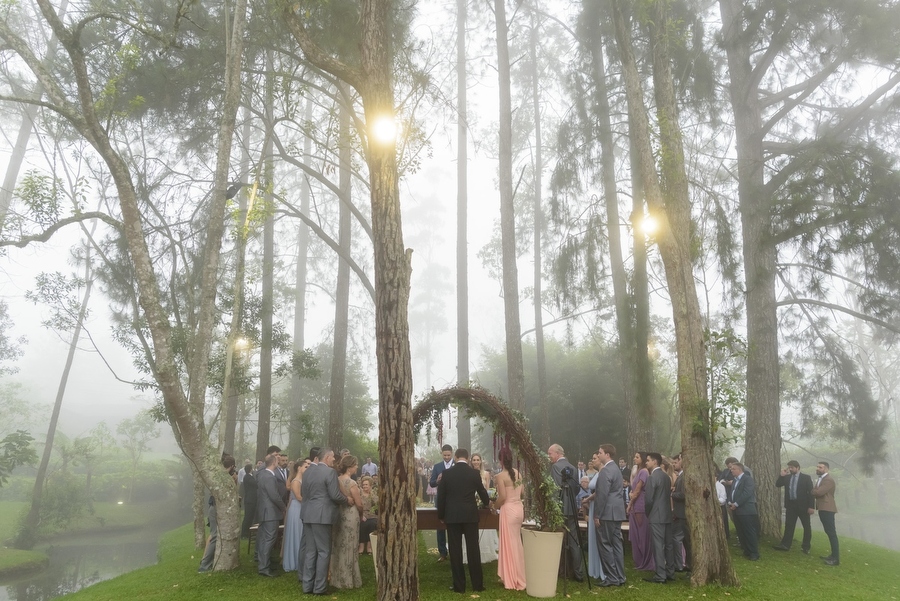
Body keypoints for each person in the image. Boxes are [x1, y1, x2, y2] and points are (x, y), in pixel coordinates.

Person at [437, 448, 490, 593]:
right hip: (470, 515)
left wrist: (441, 515)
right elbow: (483, 493)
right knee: (473, 549)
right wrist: (487, 503)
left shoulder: (447, 474)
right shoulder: (473, 473)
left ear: (455, 457)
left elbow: (441, 497)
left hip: (452, 516)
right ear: (467, 458)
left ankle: (459, 586)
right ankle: (477, 584)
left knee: (455, 550)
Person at [300, 448, 348, 595]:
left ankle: (307, 586)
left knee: (310, 551)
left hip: (307, 513)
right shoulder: (330, 472)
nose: (334, 460)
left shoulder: (308, 471)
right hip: (322, 515)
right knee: (323, 551)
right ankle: (320, 587)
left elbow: (303, 493)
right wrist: (347, 499)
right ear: (327, 457)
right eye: (333, 457)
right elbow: (334, 495)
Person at [548, 443, 584, 582]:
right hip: (572, 509)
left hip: (560, 509)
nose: (549, 456)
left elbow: (554, 490)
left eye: (550, 453)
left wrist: (553, 508)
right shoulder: (574, 468)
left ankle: (561, 570)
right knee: (574, 541)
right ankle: (578, 573)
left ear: (558, 453)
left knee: (559, 540)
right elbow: (575, 489)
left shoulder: (556, 467)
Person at [592, 443, 626, 587]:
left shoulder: (606, 471)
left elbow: (602, 494)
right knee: (617, 545)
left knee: (605, 544)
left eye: (600, 453)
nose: (598, 455)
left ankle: (612, 577)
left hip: (607, 513)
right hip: (617, 512)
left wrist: (597, 514)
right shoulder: (616, 469)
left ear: (607, 454)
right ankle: (620, 576)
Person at [198, 454, 237, 573]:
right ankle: (204, 566)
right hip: (215, 508)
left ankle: (208, 561)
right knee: (214, 535)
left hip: (216, 508)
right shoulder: (222, 477)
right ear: (231, 466)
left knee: (215, 535)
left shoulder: (218, 475)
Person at [494, 447, 525, 590]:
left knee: (508, 543)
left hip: (508, 510)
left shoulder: (500, 476)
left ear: (501, 460)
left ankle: (511, 576)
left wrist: (494, 506)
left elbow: (502, 497)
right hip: (519, 508)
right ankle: (518, 574)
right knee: (517, 542)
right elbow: (522, 493)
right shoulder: (518, 473)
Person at [331, 455, 363, 588]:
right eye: (356, 465)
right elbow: (359, 503)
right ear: (350, 467)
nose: (357, 467)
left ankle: (337, 577)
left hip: (339, 514)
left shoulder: (336, 480)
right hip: (350, 515)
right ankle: (349, 579)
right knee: (350, 544)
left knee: (339, 544)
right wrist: (362, 513)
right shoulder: (352, 483)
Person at [642, 452, 675, 584]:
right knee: (669, 545)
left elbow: (649, 499)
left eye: (648, 460)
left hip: (656, 515)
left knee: (657, 546)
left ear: (655, 462)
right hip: (667, 514)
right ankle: (670, 572)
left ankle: (660, 575)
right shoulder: (666, 477)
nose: (646, 462)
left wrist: (648, 513)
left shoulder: (652, 477)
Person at [773, 459, 814, 554]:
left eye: (792, 467)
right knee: (789, 525)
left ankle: (806, 547)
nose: (790, 469)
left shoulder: (806, 478)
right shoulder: (787, 478)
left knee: (806, 526)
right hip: (791, 505)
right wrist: (781, 475)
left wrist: (811, 506)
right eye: (789, 467)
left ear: (798, 468)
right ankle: (785, 545)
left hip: (803, 506)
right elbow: (778, 484)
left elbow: (811, 493)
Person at [256, 453, 287, 577]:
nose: (278, 462)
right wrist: (283, 507)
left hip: (265, 511)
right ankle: (264, 567)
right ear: (274, 462)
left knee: (265, 539)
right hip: (270, 512)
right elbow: (274, 495)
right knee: (269, 539)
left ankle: (263, 563)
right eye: (277, 460)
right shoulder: (269, 476)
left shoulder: (262, 474)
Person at [464, 454, 498, 564]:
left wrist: (485, 502)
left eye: (478, 460)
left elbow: (486, 490)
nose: (476, 462)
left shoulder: (486, 474)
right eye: (474, 460)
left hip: (482, 502)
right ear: (471, 461)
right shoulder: (468, 473)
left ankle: (486, 551)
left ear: (481, 461)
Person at [580, 452, 606, 584]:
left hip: (597, 506)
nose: (593, 460)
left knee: (599, 538)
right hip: (592, 504)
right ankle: (594, 567)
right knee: (593, 538)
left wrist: (588, 499)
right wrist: (588, 500)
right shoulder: (598, 473)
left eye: (595, 458)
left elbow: (599, 492)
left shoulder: (602, 473)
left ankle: (602, 570)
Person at [627, 452, 654, 571]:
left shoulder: (644, 471)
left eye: (637, 457)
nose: (635, 458)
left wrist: (630, 503)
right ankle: (638, 561)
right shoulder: (638, 471)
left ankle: (645, 561)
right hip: (635, 504)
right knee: (636, 534)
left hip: (640, 505)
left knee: (642, 533)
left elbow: (637, 491)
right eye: (635, 456)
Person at [282, 458, 310, 572]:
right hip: (296, 509)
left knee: (301, 532)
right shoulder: (295, 481)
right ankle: (293, 561)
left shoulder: (303, 480)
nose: (307, 469)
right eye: (305, 467)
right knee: (296, 532)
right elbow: (298, 497)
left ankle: (301, 560)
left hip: (301, 507)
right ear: (299, 468)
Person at [728, 462, 759, 561]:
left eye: (733, 469)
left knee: (749, 531)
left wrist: (736, 503)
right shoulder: (735, 480)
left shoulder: (747, 479)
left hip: (746, 510)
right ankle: (746, 550)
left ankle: (754, 552)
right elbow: (732, 492)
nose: (731, 470)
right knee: (740, 531)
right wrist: (730, 501)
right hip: (736, 510)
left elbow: (747, 493)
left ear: (739, 470)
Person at [430, 444, 455, 562]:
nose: (446, 457)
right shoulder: (437, 466)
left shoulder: (457, 466)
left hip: (454, 499)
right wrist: (437, 480)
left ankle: (454, 551)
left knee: (454, 525)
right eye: (444, 455)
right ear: (442, 454)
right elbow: (431, 483)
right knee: (440, 526)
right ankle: (442, 552)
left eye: (448, 455)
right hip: (440, 499)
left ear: (452, 453)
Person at [812, 461, 839, 566]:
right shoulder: (821, 479)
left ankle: (836, 559)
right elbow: (816, 490)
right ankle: (833, 555)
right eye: (817, 466)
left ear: (826, 469)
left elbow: (818, 492)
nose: (817, 468)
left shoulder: (828, 480)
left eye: (820, 467)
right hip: (823, 508)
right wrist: (815, 490)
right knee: (828, 532)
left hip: (828, 508)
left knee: (832, 533)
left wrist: (814, 491)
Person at [671, 453, 691, 571]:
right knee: (684, 541)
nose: (674, 465)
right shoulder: (681, 476)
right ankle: (685, 564)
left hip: (683, 514)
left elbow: (684, 495)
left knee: (678, 539)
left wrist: (672, 493)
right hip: (680, 513)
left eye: (676, 462)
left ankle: (680, 565)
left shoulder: (684, 476)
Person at [358, 476, 378, 554]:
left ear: (370, 485)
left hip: (372, 514)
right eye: (363, 484)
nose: (365, 486)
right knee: (362, 524)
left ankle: (369, 547)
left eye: (366, 484)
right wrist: (361, 515)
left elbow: (376, 504)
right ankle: (361, 546)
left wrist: (371, 494)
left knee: (372, 524)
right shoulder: (359, 494)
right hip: (362, 514)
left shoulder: (373, 494)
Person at [240, 463, 257, 539]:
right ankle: (244, 534)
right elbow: (255, 484)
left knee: (250, 517)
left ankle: (247, 532)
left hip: (251, 500)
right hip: (250, 500)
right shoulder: (248, 477)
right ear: (250, 469)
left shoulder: (248, 477)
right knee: (248, 517)